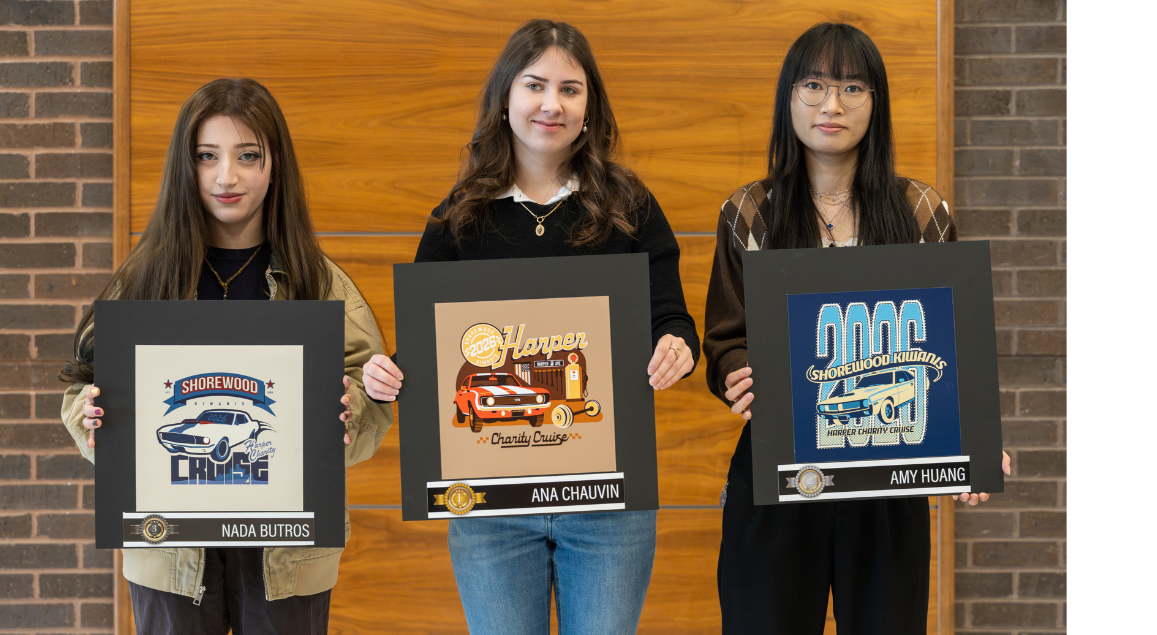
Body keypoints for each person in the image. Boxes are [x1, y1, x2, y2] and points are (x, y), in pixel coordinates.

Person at [355, 19, 698, 635]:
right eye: (535, 85)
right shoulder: (458, 216)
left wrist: (678, 346)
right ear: (505, 99)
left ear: (590, 107)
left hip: (608, 500)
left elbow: (669, 316)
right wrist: (389, 373)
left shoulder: (629, 205)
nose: (551, 104)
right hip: (490, 505)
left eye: (570, 89)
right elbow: (427, 354)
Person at [699, 22, 1012, 635]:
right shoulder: (749, 212)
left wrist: (973, 437)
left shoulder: (922, 211)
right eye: (813, 84)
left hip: (890, 483)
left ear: (878, 102)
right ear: (788, 97)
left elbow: (952, 341)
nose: (831, 105)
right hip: (779, 477)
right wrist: (736, 374)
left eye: (852, 87)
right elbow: (725, 336)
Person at [56, 78, 394, 635]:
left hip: (288, 551)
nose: (226, 177)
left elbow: (368, 405)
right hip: (168, 549)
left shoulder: (321, 283)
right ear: (183, 168)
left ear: (275, 165)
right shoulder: (144, 280)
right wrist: (92, 420)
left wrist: (349, 412)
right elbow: (84, 392)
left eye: (247, 156)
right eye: (207, 157)